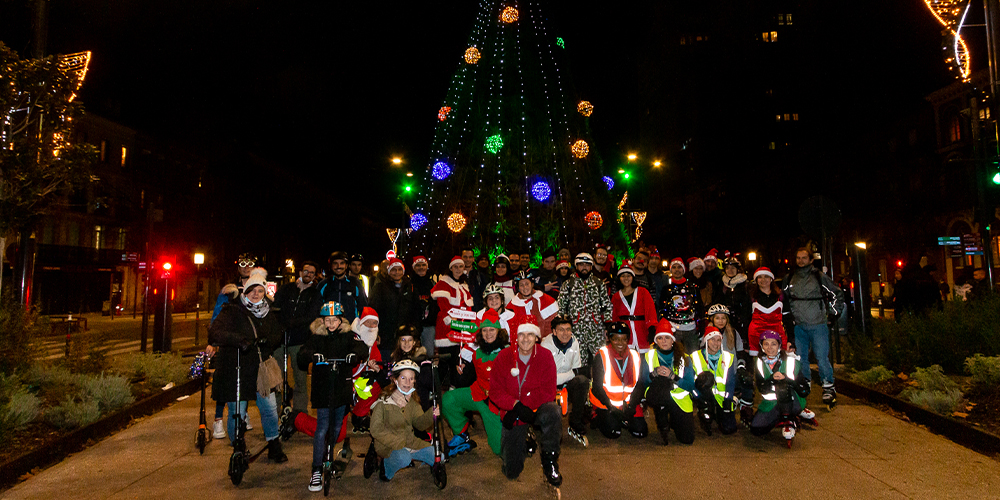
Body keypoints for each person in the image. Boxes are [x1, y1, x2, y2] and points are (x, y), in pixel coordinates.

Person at [208, 267, 287, 463]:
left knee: (269, 409)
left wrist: (267, 341)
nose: (256, 294)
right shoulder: (233, 309)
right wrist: (239, 340)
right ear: (245, 290)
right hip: (237, 368)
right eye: (252, 290)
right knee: (237, 411)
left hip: (260, 369)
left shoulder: (269, 312)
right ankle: (238, 445)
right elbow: (215, 332)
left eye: (260, 291)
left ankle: (273, 443)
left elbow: (277, 333)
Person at [298, 301, 369, 491]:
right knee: (322, 428)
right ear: (322, 321)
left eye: (334, 320)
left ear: (341, 320)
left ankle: (329, 451)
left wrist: (353, 355)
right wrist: (313, 355)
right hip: (322, 389)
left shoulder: (348, 336)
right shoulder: (316, 337)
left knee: (337, 425)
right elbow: (302, 355)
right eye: (327, 320)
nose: (331, 324)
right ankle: (316, 469)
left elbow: (362, 348)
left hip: (341, 387)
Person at [490, 316, 562, 486]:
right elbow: (495, 390)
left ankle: (549, 460)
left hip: (536, 410)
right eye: (522, 334)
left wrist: (526, 405)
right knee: (511, 472)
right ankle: (526, 438)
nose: (526, 339)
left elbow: (549, 390)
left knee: (553, 411)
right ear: (516, 336)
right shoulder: (504, 356)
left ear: (537, 337)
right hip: (514, 413)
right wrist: (514, 405)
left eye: (530, 334)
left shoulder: (545, 356)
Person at [441, 308, 508, 457]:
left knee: (498, 448)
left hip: (494, 403)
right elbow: (471, 375)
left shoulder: (507, 351)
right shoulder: (477, 352)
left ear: (498, 331)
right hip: (478, 393)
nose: (488, 333)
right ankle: (462, 434)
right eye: (485, 330)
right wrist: (462, 367)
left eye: (492, 330)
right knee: (448, 399)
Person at [782, 249, 843, 407]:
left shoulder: (819, 277)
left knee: (822, 359)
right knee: (801, 359)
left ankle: (828, 387)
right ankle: (804, 385)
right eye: (798, 258)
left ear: (810, 260)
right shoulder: (789, 278)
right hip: (799, 326)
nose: (801, 261)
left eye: (804, 258)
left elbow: (837, 294)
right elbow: (785, 301)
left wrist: (832, 315)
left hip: (818, 325)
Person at [369, 359, 439, 482]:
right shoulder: (384, 402)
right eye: (403, 378)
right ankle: (386, 470)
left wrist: (431, 414)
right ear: (395, 380)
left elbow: (419, 424)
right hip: (388, 445)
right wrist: (400, 443)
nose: (408, 382)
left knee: (438, 456)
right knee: (404, 458)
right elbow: (376, 429)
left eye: (411, 379)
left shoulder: (411, 401)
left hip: (410, 443)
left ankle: (426, 462)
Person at [747, 330, 816, 441]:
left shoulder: (791, 361)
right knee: (756, 429)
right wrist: (771, 379)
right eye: (766, 344)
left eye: (773, 344)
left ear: (779, 345)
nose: (770, 348)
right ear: (762, 346)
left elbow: (805, 390)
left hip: (793, 400)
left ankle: (790, 419)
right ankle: (781, 417)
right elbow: (762, 388)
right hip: (772, 403)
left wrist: (787, 379)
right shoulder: (759, 362)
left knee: (782, 386)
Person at [272, 260, 322, 415]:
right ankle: (277, 408)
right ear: (300, 272)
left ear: (315, 276)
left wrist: (292, 323)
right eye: (306, 271)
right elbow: (276, 308)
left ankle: (300, 411)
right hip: (280, 340)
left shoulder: (315, 294)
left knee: (300, 378)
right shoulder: (286, 289)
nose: (308, 275)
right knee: (277, 378)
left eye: (312, 273)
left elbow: (312, 316)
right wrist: (281, 324)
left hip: (300, 341)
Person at [589, 322, 648, 440]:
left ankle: (623, 420)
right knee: (613, 433)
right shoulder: (601, 355)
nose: (620, 343)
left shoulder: (635, 356)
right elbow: (597, 388)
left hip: (628, 403)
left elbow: (640, 384)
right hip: (606, 403)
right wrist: (610, 407)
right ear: (609, 339)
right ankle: (597, 416)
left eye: (624, 339)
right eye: (616, 339)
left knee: (641, 432)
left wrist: (631, 407)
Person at [643, 319, 696, 445]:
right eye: (660, 338)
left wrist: (673, 377)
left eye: (667, 337)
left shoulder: (685, 357)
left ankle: (674, 420)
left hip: (679, 400)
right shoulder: (648, 356)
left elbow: (690, 386)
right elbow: (643, 382)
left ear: (673, 340)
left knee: (687, 440)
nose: (664, 341)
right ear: (656, 341)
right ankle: (662, 423)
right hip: (658, 396)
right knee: (661, 382)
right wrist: (654, 374)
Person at [557, 253, 614, 369]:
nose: (584, 267)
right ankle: (581, 384)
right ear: (576, 266)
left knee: (601, 359)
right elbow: (561, 306)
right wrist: (562, 327)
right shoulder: (568, 284)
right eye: (581, 265)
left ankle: (599, 384)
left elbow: (607, 305)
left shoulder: (598, 283)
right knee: (577, 361)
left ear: (591, 266)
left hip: (596, 329)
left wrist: (607, 325)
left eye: (587, 265)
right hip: (575, 329)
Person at [541, 315, 589, 446]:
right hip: (547, 385)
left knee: (582, 381)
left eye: (568, 329)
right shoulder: (545, 346)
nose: (565, 333)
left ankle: (575, 422)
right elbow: (548, 378)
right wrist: (573, 373)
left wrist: (574, 373)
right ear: (554, 331)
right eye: (561, 329)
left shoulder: (574, 342)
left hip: (566, 384)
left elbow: (577, 369)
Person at [430, 256, 474, 385]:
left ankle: (455, 386)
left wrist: (467, 324)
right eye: (455, 266)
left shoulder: (464, 285)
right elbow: (443, 307)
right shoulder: (443, 284)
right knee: (445, 360)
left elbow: (468, 306)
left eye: (461, 266)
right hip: (448, 327)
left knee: (458, 360)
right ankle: (437, 389)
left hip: (462, 327)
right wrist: (454, 322)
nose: (458, 269)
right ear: (450, 268)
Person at [368, 257, 419, 361]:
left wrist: (416, 331)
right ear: (389, 271)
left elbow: (416, 311)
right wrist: (376, 332)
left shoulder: (410, 287)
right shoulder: (380, 287)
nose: (397, 272)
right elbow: (373, 310)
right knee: (387, 365)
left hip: (405, 336)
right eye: (393, 270)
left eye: (399, 269)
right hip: (386, 336)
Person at [690, 326, 738, 436]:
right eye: (712, 340)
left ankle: (723, 411)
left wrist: (728, 399)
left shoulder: (728, 357)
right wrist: (698, 398)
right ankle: (705, 413)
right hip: (705, 396)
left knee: (729, 429)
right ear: (706, 341)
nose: (716, 343)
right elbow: (691, 382)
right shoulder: (695, 357)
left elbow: (730, 381)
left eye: (718, 340)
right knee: (706, 377)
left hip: (722, 398)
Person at [611, 265, 658, 353]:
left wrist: (652, 327)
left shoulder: (643, 292)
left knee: (644, 359)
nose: (626, 278)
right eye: (623, 276)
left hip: (642, 330)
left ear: (633, 277)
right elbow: (614, 317)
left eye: (628, 276)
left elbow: (650, 310)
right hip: (625, 333)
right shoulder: (616, 297)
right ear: (619, 278)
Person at [658, 257, 702, 350]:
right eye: (674, 267)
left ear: (684, 269)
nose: (677, 270)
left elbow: (699, 307)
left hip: (691, 330)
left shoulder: (692, 287)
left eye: (679, 267)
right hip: (673, 330)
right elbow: (662, 308)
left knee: (693, 357)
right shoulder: (666, 288)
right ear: (671, 270)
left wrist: (701, 325)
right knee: (675, 358)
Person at [314, 251, 369, 323]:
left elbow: (363, 306)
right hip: (329, 327)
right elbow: (316, 307)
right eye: (335, 263)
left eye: (342, 263)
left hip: (350, 328)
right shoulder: (324, 284)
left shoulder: (355, 283)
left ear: (346, 266)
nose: (338, 266)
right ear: (331, 266)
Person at [506, 274, 559, 342]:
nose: (525, 287)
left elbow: (552, 326)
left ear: (532, 284)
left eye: (527, 284)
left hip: (544, 343)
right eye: (521, 285)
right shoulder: (512, 305)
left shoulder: (546, 300)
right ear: (518, 287)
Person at [713, 254, 751, 335]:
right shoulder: (722, 283)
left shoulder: (745, 284)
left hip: (742, 322)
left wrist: (744, 319)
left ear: (737, 269)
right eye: (727, 268)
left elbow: (748, 304)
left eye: (733, 268)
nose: (730, 270)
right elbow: (718, 300)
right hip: (726, 321)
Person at [409, 255, 438, 356]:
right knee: (412, 354)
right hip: (412, 325)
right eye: (418, 265)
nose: (421, 267)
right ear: (414, 267)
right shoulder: (408, 283)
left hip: (429, 325)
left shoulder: (432, 283)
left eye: (423, 265)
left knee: (428, 354)